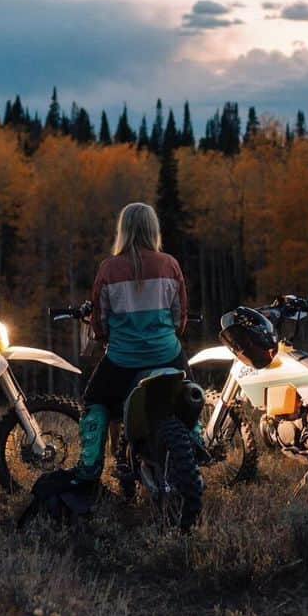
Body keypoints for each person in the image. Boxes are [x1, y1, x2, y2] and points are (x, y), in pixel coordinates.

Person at [74, 202, 192, 481]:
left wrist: (106, 337)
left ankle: (90, 466)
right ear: (154, 229)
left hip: (123, 358)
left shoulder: (109, 268)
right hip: (166, 354)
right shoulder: (170, 264)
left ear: (123, 230)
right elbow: (180, 319)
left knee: (95, 401)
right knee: (189, 391)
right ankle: (195, 440)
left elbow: (99, 322)